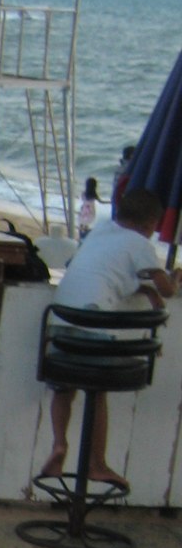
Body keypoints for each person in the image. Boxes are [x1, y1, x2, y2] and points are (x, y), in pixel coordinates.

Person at [39, 185, 175, 491]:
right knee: (97, 391)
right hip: (94, 327)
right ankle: (96, 464)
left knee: (64, 387)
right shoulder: (140, 243)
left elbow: (103, 272)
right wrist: (173, 280)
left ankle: (59, 444)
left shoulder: (99, 232)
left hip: (59, 323)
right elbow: (167, 290)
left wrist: (142, 288)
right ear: (151, 224)